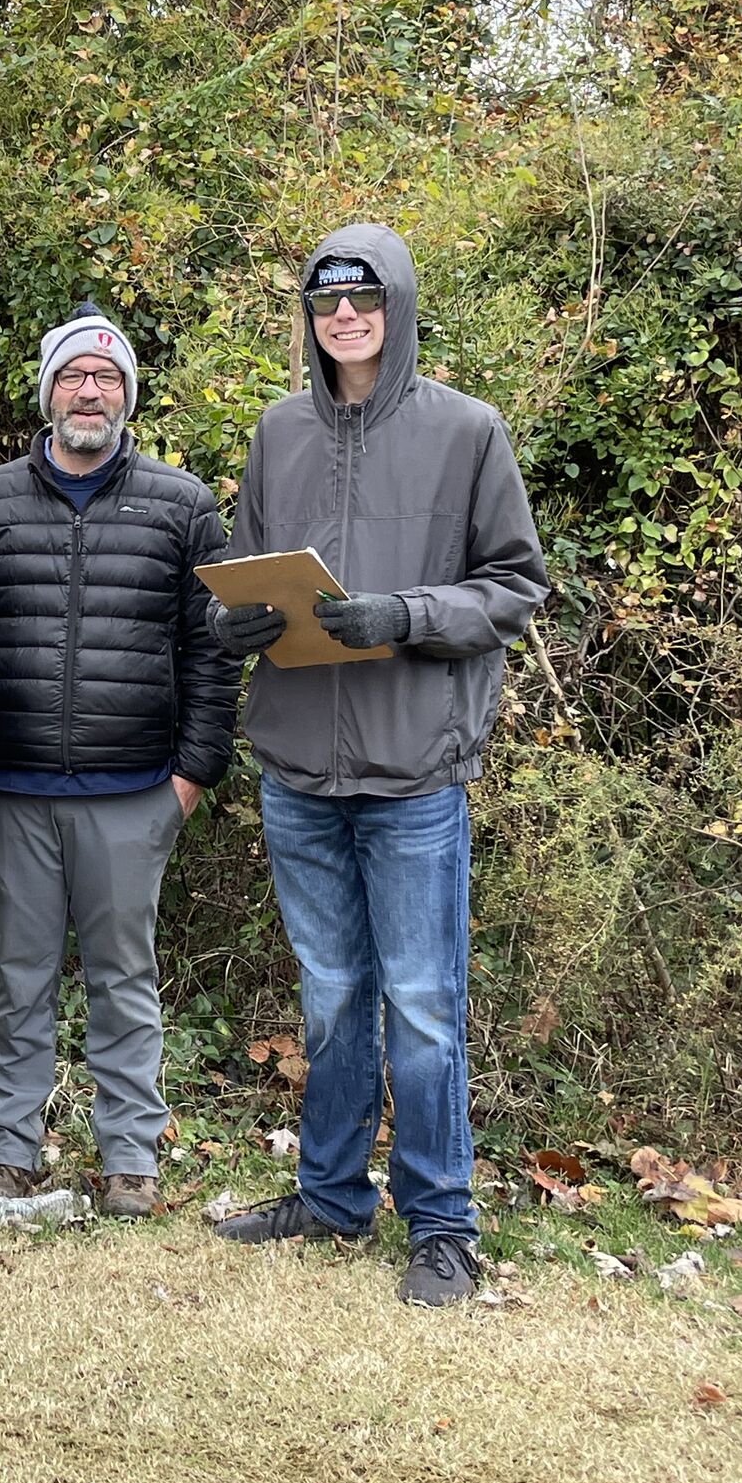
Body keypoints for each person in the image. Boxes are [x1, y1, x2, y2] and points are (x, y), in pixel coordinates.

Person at [207, 226, 547, 1308]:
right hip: (298, 763)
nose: (343, 316)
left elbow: (512, 589)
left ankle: (442, 1224)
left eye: (362, 298)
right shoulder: (277, 431)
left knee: (423, 1003)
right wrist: (237, 626)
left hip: (413, 771)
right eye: (324, 300)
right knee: (332, 996)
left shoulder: (467, 432)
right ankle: (330, 1195)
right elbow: (250, 573)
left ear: (395, 305)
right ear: (307, 315)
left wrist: (402, 614)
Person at [0, 304, 239, 1219]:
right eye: (74, 374)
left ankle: (129, 1156)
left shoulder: (182, 504)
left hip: (133, 789)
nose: (91, 389)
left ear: (126, 397)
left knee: (124, 975)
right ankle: (10, 1148)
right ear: (48, 392)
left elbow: (212, 647)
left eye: (107, 377)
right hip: (11, 786)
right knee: (19, 973)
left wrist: (193, 772)